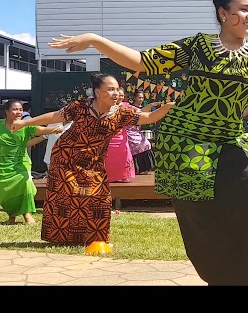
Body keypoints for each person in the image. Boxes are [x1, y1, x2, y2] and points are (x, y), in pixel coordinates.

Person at [47, 0, 248, 285]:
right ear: (223, 14)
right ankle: (224, 277)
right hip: (188, 142)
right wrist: (95, 39)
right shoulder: (198, 47)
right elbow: (142, 61)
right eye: (244, 9)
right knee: (202, 216)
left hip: (229, 140)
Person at [10, 73, 174, 246]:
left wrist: (169, 107)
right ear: (97, 92)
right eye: (110, 89)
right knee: (66, 198)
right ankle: (63, 238)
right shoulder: (81, 106)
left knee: (100, 198)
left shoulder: (122, 112)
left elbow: (149, 117)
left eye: (117, 89)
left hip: (93, 162)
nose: (116, 93)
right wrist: (24, 123)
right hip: (65, 157)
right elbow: (55, 116)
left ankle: (97, 239)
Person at [104, 87, 136, 183]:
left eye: (122, 95)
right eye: (119, 95)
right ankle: (109, 176)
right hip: (108, 136)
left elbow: (140, 112)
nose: (120, 97)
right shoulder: (105, 106)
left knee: (124, 154)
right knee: (109, 157)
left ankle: (123, 175)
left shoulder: (126, 106)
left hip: (121, 135)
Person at [128, 89, 161, 175]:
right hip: (129, 132)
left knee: (147, 144)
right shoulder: (130, 108)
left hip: (137, 132)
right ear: (135, 98)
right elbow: (139, 113)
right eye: (139, 97)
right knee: (139, 144)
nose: (141, 99)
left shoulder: (142, 108)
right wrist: (150, 105)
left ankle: (144, 167)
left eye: (142, 98)